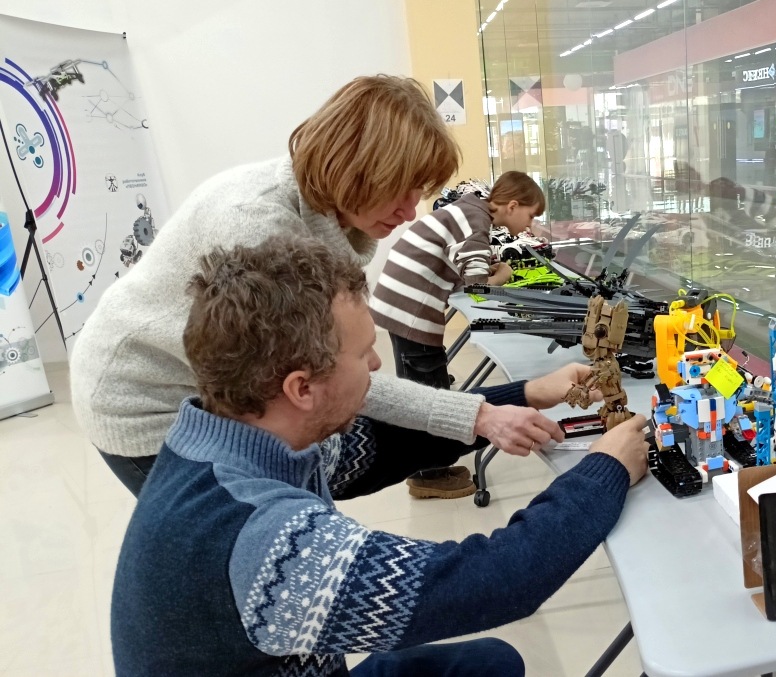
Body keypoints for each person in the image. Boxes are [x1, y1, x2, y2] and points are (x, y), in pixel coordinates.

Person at [111, 234, 649, 677]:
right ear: (301, 388)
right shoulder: (263, 543)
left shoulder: (237, 440)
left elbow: (382, 449)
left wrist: (523, 396)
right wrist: (605, 469)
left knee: (491, 663)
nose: (375, 364)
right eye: (362, 352)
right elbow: (498, 581)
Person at [69, 75, 559, 496]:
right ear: (356, 166)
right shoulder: (257, 226)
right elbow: (330, 378)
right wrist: (482, 415)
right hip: (146, 402)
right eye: (401, 188)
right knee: (255, 519)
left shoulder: (320, 215)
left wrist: (513, 400)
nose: (411, 212)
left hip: (214, 393)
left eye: (419, 193)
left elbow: (340, 378)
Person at [370, 171, 546, 499]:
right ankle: (427, 475)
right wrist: (502, 275)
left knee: (430, 379)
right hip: (409, 308)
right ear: (512, 205)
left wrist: (486, 267)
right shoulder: (476, 220)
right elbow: (477, 287)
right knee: (427, 390)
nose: (530, 225)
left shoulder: (472, 210)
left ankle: (431, 465)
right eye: (531, 215)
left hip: (403, 303)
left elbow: (463, 263)